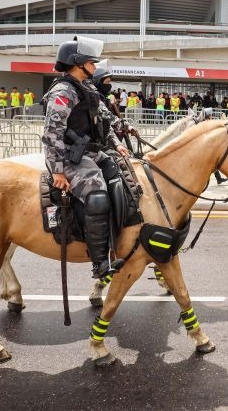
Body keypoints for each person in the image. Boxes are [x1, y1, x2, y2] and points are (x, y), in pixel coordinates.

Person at [42, 35, 129, 280]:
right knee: (97, 193)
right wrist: (58, 170)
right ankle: (100, 262)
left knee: (122, 178)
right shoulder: (63, 92)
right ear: (77, 63)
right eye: (91, 62)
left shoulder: (86, 88)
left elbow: (104, 118)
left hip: (91, 153)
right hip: (69, 158)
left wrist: (120, 136)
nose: (94, 65)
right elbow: (52, 133)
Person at [194, 107, 227, 184]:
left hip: (205, 146)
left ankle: (218, 178)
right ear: (209, 115)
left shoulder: (205, 122)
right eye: (211, 114)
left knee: (213, 163)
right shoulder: (206, 123)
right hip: (204, 146)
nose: (212, 116)